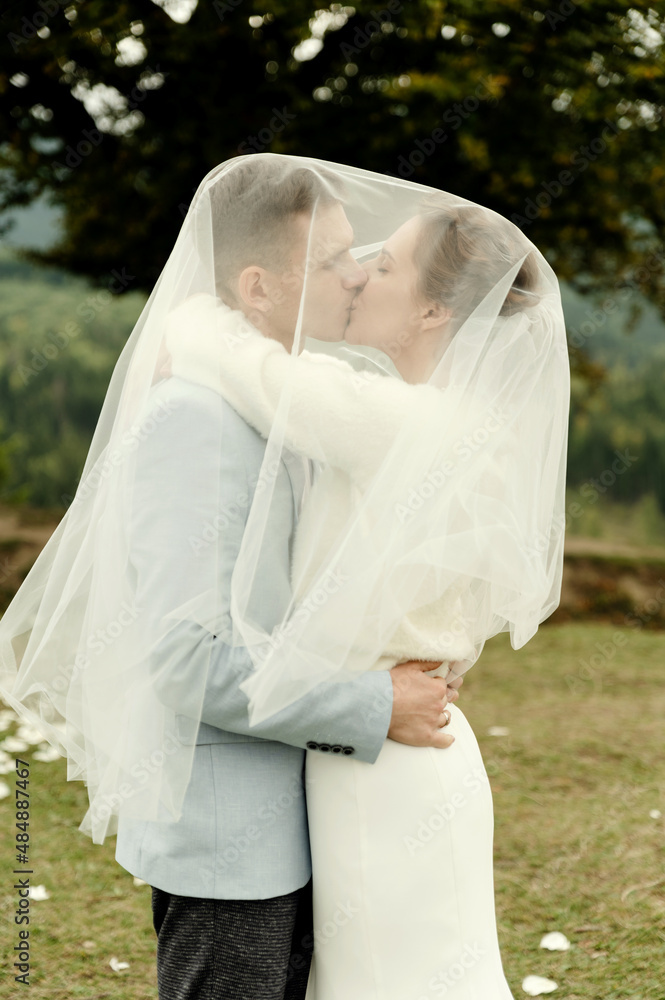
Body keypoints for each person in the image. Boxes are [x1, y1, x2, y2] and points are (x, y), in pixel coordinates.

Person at [0, 155, 462, 1000]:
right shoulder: (196, 420)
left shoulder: (278, 401)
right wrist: (376, 703)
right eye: (332, 259)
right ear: (257, 287)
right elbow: (187, 661)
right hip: (230, 842)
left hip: (305, 814)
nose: (356, 275)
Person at [164, 168, 569, 998]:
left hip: (389, 758)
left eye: (383, 266)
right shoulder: (423, 414)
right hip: (382, 739)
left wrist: (190, 314)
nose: (357, 276)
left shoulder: (414, 424)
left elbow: (264, 377)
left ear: (431, 312)